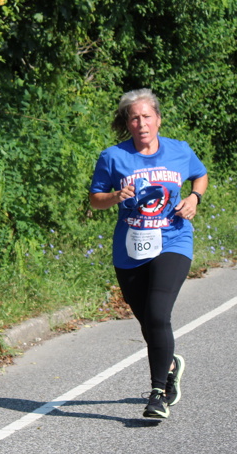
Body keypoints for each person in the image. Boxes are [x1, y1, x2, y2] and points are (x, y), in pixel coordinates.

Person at [88, 89, 209, 419]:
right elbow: (95, 199)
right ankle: (169, 364)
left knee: (157, 314)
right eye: (134, 118)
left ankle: (158, 394)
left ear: (158, 119)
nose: (141, 124)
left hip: (173, 240)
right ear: (127, 123)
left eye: (147, 116)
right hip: (131, 248)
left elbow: (200, 175)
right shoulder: (113, 157)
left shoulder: (179, 150)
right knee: (147, 319)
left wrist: (194, 198)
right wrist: (115, 196)